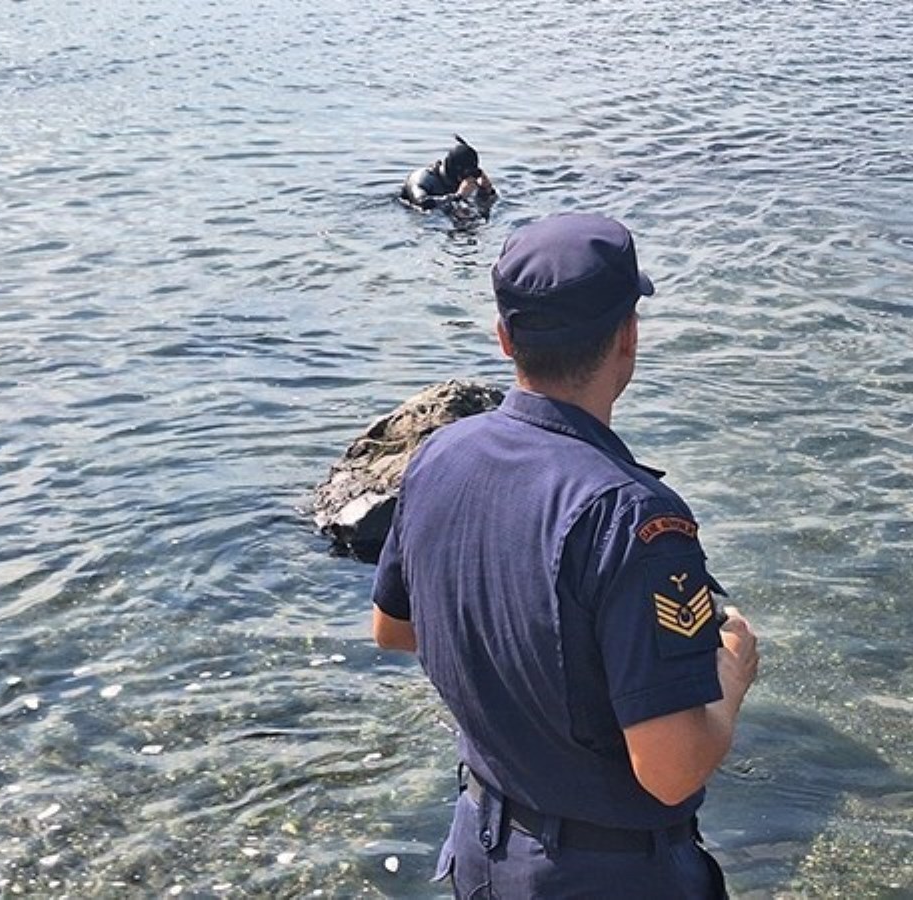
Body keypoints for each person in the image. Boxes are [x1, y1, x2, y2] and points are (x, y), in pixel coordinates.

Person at [370, 213, 759, 898]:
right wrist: (731, 678)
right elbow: (670, 769)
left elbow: (394, 630)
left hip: (481, 852)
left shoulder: (439, 457)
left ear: (503, 338)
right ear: (628, 338)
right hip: (607, 877)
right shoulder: (635, 519)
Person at [399, 134, 497, 212]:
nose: (465, 180)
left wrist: (486, 191)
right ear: (454, 171)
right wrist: (458, 196)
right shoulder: (422, 178)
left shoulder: (464, 182)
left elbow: (482, 203)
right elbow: (421, 202)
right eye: (463, 176)